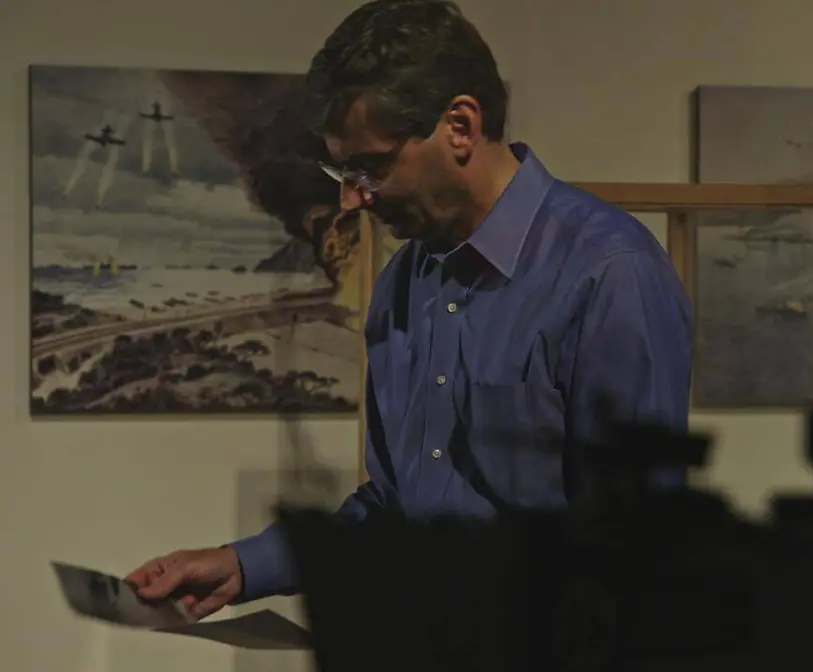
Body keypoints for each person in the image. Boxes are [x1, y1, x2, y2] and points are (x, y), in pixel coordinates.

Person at [126, 0, 692, 619]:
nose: (351, 198)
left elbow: (634, 553)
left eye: (369, 167)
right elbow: (396, 507)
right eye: (341, 171)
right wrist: (243, 566)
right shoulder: (404, 282)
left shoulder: (609, 273)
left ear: (460, 126)